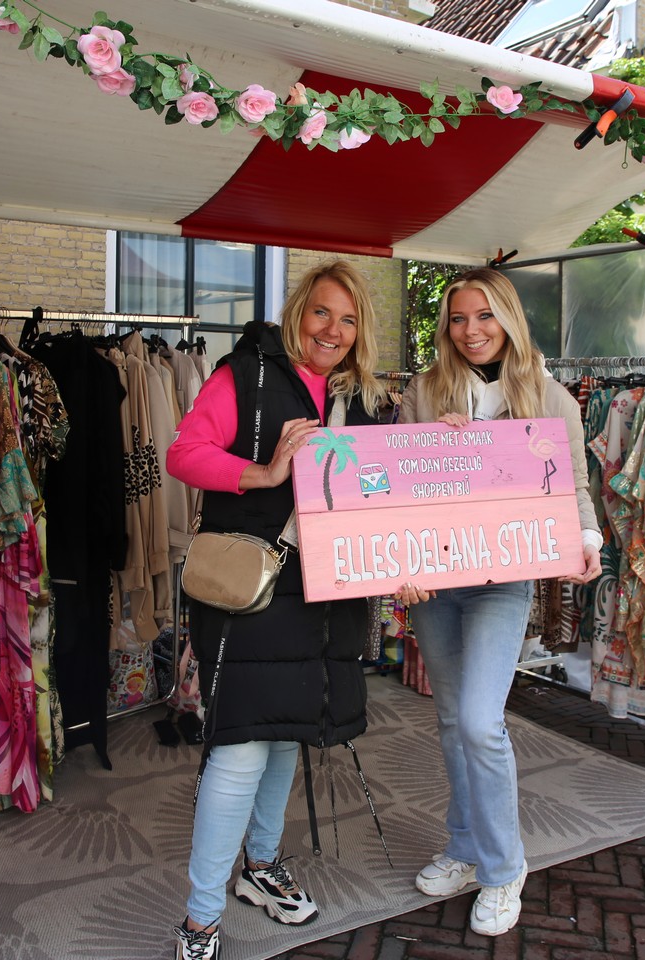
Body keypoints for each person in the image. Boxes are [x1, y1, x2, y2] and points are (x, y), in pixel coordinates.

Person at [165, 260, 387, 960]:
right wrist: (262, 473)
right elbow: (184, 454)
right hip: (253, 591)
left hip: (328, 594)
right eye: (322, 312)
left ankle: (261, 868)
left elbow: (390, 484)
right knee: (239, 749)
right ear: (298, 312)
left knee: (287, 735)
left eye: (348, 320)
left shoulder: (365, 395)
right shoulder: (246, 375)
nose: (333, 331)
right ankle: (200, 920)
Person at [393, 267, 602, 937]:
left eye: (484, 315)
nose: (471, 330)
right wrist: (431, 444)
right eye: (458, 318)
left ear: (508, 318)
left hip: (502, 581)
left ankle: (505, 866)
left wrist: (587, 539)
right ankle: (464, 846)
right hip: (434, 578)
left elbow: (572, 483)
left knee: (481, 721)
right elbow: (395, 486)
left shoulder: (548, 395)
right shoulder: (424, 391)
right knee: (452, 719)